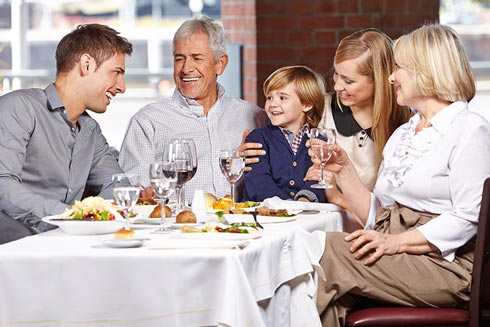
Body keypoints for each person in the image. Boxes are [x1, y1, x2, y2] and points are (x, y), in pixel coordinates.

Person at [310, 24, 490, 326]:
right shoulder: (406, 133)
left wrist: (395, 243)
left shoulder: (470, 129)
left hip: (447, 266)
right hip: (400, 254)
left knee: (321, 249)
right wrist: (344, 171)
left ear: (427, 71)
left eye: (400, 68)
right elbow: (378, 214)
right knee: (328, 295)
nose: (391, 77)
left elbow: (469, 216)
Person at [0, 24, 133, 243]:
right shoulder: (19, 108)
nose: (122, 87)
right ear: (87, 65)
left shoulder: (90, 131)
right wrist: (70, 216)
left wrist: (94, 217)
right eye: (116, 73)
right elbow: (2, 184)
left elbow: (118, 185)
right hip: (13, 250)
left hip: (65, 245)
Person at [119, 16, 268, 202]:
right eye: (179, 59)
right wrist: (147, 194)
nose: (186, 68)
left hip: (243, 226)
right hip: (178, 228)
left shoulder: (254, 116)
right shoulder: (148, 121)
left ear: (220, 64)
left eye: (197, 58)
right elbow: (132, 192)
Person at [313, 28, 411, 210]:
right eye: (336, 74)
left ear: (380, 80)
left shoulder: (408, 126)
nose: (337, 86)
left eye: (348, 81)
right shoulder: (320, 110)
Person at [242, 65, 326, 202]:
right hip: (266, 215)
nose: (273, 104)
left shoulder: (318, 141)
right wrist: (286, 206)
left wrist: (304, 199)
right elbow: (258, 180)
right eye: (269, 98)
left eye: (282, 98)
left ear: (306, 104)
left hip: (306, 213)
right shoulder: (257, 138)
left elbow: (319, 178)